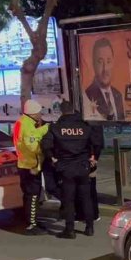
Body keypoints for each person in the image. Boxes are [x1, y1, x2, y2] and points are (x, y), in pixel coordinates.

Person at [41, 100, 99, 238]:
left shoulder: (56, 127)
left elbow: (45, 145)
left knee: (69, 199)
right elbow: (96, 142)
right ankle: (89, 228)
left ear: (62, 111)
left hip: (66, 167)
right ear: (74, 110)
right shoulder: (85, 126)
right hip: (83, 166)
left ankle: (70, 230)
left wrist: (52, 158)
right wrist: (94, 157)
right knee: (86, 198)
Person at [14, 99, 50, 234]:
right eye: (39, 113)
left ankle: (31, 220)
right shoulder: (27, 126)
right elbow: (33, 145)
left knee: (28, 195)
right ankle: (31, 225)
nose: (41, 115)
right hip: (31, 165)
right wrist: (46, 132)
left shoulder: (21, 122)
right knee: (33, 195)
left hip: (24, 163)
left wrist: (41, 129)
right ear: (34, 113)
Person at [84, 38, 124, 120]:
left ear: (113, 62)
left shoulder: (118, 95)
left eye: (108, 61)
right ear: (93, 64)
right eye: (100, 62)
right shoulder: (87, 95)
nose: (105, 68)